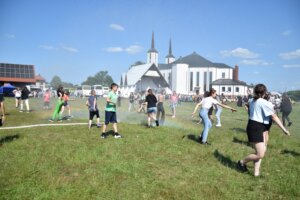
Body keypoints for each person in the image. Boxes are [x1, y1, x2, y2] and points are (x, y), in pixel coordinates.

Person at [238, 84, 290, 177]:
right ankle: (242, 162)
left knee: (262, 150)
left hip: (262, 127)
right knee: (260, 154)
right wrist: (284, 129)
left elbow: (247, 104)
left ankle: (256, 174)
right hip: (255, 127)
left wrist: (250, 111)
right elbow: (274, 117)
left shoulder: (252, 100)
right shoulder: (264, 103)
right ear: (265, 92)